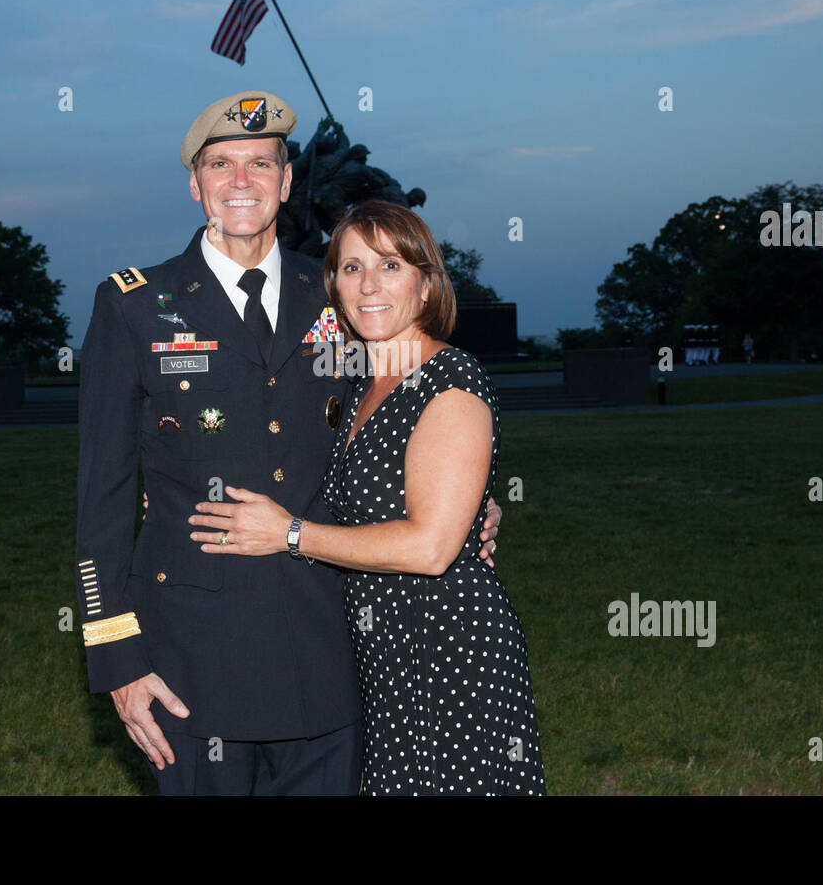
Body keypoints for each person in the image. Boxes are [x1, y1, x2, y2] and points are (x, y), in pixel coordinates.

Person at [74, 91, 502, 795]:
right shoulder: (133, 305)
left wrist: (474, 506)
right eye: (221, 165)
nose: (241, 182)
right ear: (195, 184)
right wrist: (117, 657)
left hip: (326, 650)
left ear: (287, 181)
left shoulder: (338, 295)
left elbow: (414, 413)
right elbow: (104, 497)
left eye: (261, 164)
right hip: (189, 657)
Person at [188, 200, 546, 794]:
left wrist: (289, 534)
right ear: (335, 287)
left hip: (448, 648)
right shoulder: (357, 384)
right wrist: (175, 494)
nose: (369, 285)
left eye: (390, 266)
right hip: (380, 652)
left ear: (427, 285)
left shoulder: (450, 381)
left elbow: (431, 547)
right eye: (352, 268)